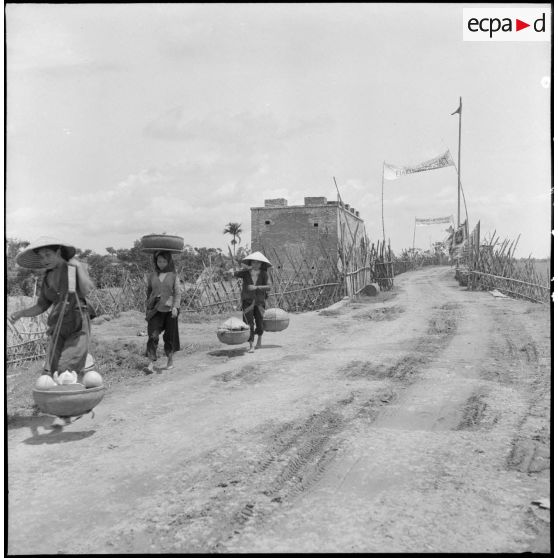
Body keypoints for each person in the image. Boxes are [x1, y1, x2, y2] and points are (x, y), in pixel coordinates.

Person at [10, 236, 95, 376]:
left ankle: (74, 388)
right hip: (57, 326)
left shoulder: (73, 268)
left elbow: (85, 290)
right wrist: (21, 314)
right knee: (54, 368)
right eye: (41, 257)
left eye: (48, 255)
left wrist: (77, 268)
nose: (44, 260)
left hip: (77, 322)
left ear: (59, 252)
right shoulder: (48, 278)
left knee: (67, 366)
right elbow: (41, 306)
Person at [145, 250, 181, 372]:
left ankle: (170, 358)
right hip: (155, 309)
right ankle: (150, 363)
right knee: (152, 335)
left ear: (168, 261)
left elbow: (177, 292)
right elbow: (149, 291)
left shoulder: (174, 276)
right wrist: (148, 306)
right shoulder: (152, 276)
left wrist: (175, 307)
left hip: (170, 310)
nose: (161, 263)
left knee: (169, 336)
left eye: (164, 261)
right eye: (159, 261)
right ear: (156, 262)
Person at [229, 251, 272, 353]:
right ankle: (251, 345)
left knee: (260, 323)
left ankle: (259, 341)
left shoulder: (264, 274)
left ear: (261, 264)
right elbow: (232, 274)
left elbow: (269, 287)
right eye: (254, 262)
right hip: (247, 302)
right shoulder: (245, 273)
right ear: (251, 263)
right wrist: (230, 272)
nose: (256, 264)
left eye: (258, 263)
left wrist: (256, 287)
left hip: (259, 302)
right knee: (248, 323)